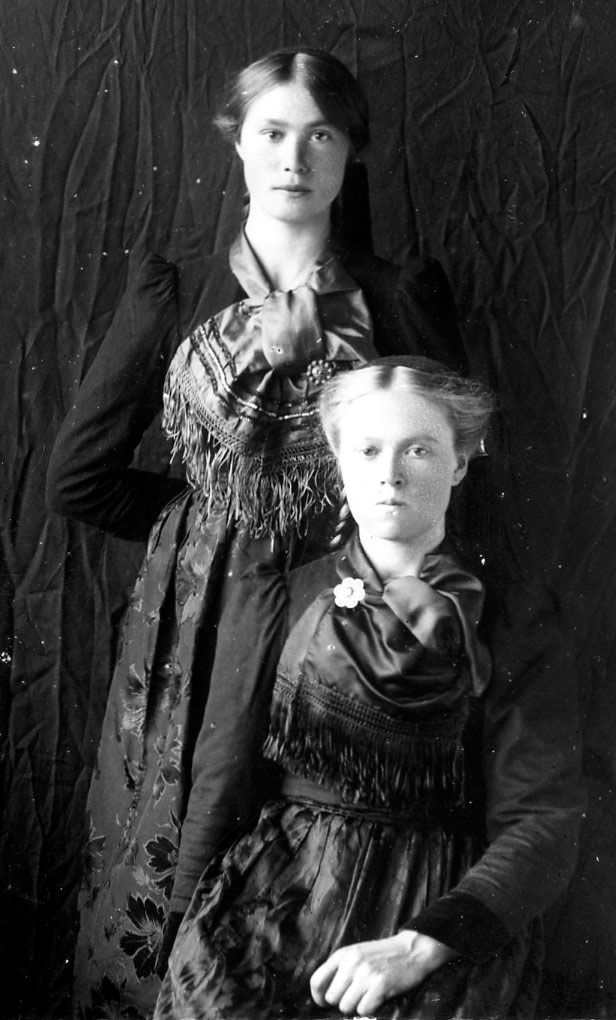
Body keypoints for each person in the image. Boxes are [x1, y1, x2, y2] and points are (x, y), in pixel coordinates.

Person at [45, 49, 466, 1017]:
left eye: (321, 135)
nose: (294, 159)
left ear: (351, 152)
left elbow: (462, 478)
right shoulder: (180, 289)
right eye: (273, 133)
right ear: (237, 142)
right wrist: (208, 529)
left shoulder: (397, 298)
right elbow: (79, 477)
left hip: (345, 631)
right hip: (197, 635)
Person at [154, 357, 585, 1020]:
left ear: (461, 462)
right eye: (368, 450)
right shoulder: (282, 596)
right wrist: (185, 922)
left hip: (436, 906)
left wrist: (422, 946)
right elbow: (223, 779)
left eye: (419, 449)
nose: (390, 474)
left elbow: (542, 818)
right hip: (275, 898)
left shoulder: (514, 614)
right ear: (337, 460)